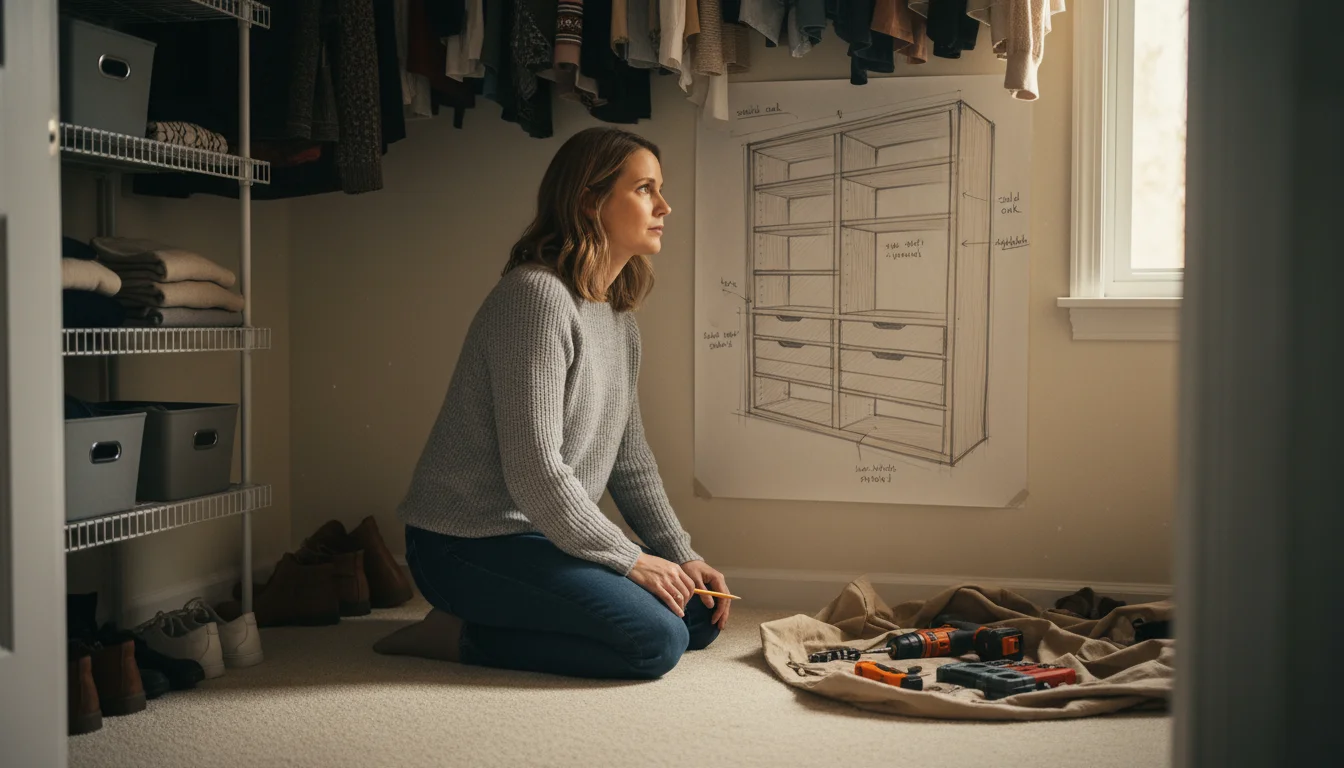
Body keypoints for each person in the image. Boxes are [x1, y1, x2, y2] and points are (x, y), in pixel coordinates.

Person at [373, 127, 732, 679]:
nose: (664, 205)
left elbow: (629, 459)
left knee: (700, 614)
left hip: (544, 533)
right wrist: (630, 558)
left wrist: (679, 552)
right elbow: (536, 470)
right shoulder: (535, 297)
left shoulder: (618, 319)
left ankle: (519, 618)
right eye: (644, 189)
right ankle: (460, 634)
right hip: (466, 545)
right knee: (655, 641)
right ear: (591, 200)